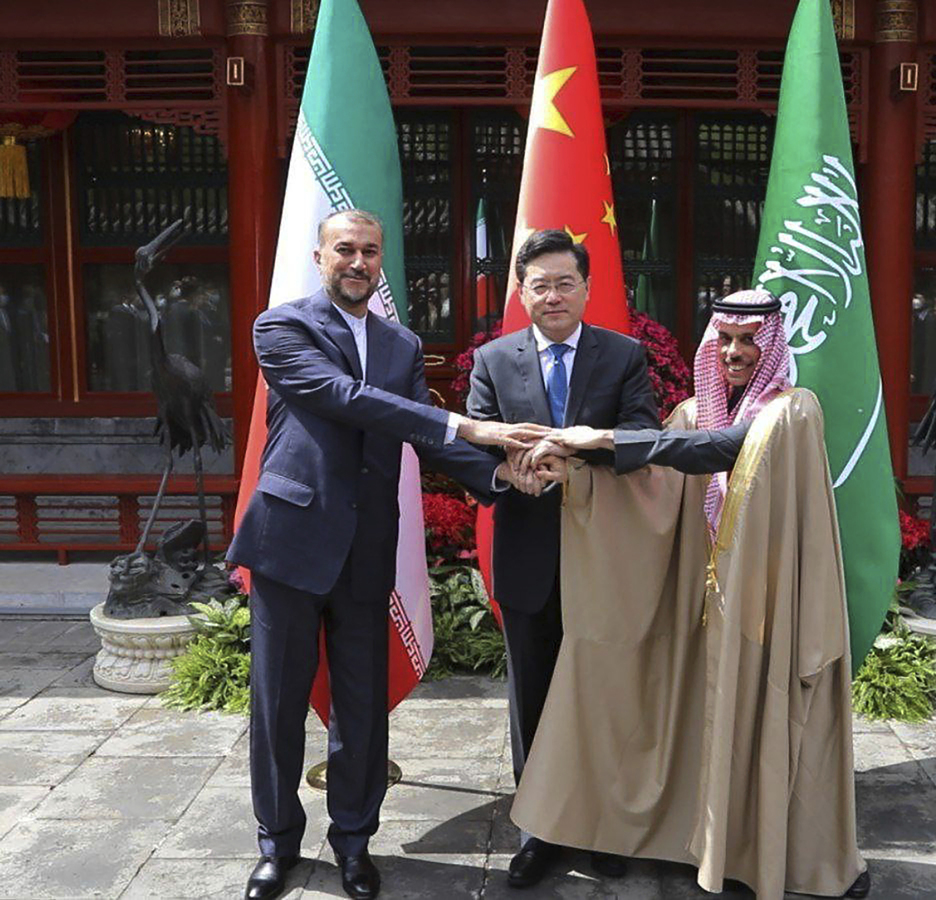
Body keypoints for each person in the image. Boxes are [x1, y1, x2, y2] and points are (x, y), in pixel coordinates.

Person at [227, 209, 547, 900]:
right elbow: (344, 398)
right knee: (277, 706)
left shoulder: (401, 344)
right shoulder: (281, 327)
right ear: (320, 257)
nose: (358, 262)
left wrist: (500, 474)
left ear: (381, 263)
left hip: (368, 546)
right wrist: (466, 421)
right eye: (345, 249)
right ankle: (277, 845)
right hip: (291, 540)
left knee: (362, 708)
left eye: (370, 252)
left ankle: (353, 843)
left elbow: (423, 437)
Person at [512, 289, 870, 899]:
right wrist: (577, 472)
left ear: (771, 345)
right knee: (699, 719)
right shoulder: (689, 413)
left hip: (767, 604)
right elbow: (652, 485)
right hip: (700, 605)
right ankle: (706, 844)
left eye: (748, 340)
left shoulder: (793, 411)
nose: (733, 352)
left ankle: (776, 856)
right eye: (724, 340)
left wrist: (600, 438)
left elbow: (725, 448)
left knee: (763, 721)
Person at [465, 228, 661, 888]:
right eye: (540, 285)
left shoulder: (622, 355)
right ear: (521, 293)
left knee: (602, 692)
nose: (553, 296)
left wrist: (575, 455)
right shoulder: (494, 360)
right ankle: (539, 831)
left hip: (603, 553)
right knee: (534, 696)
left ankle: (602, 826)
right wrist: (506, 473)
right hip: (528, 552)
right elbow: (473, 445)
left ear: (586, 288)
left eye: (565, 283)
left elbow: (643, 436)